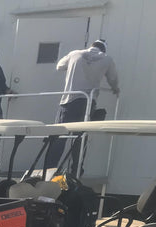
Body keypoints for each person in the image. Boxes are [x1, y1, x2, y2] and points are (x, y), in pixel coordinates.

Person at [45, 39, 120, 173]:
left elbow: (59, 66)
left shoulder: (75, 54)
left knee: (60, 136)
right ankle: (76, 170)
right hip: (87, 103)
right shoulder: (107, 59)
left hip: (69, 100)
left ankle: (50, 170)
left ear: (91, 46)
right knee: (80, 137)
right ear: (103, 49)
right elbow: (113, 79)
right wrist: (116, 89)